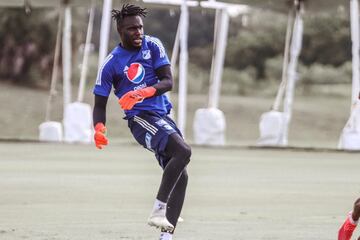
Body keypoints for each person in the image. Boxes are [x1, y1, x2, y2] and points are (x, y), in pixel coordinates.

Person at [92, 4, 191, 240]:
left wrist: (141, 93)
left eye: (140, 27)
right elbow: (99, 103)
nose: (138, 32)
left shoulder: (153, 45)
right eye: (132, 29)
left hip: (163, 116)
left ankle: (166, 236)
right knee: (183, 151)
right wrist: (98, 128)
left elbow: (168, 82)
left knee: (182, 175)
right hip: (140, 120)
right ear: (120, 31)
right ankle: (158, 209)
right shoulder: (111, 63)